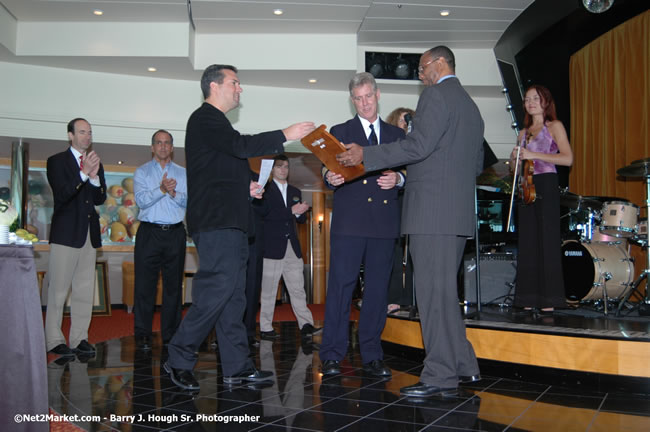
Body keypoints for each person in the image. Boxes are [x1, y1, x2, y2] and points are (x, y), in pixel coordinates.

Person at [337, 46, 484, 397]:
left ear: (439, 63)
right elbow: (476, 165)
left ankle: (439, 375)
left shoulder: (436, 96)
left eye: (421, 69)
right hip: (455, 214)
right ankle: (464, 364)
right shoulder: (472, 107)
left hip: (431, 213)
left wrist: (365, 155)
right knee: (445, 295)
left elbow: (417, 147)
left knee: (433, 298)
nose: (420, 76)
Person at [163, 64, 315, 391]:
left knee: (234, 296)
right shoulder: (204, 117)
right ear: (214, 86)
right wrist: (285, 135)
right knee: (216, 290)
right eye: (235, 82)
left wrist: (245, 187)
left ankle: (237, 366)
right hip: (216, 222)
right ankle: (178, 355)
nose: (240, 89)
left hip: (231, 222)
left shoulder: (216, 127)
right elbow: (242, 147)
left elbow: (220, 171)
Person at [319, 72, 405, 378]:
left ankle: (372, 355)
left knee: (378, 292)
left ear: (378, 95)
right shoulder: (340, 131)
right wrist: (330, 177)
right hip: (349, 223)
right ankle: (331, 354)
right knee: (340, 289)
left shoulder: (397, 135)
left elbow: (412, 171)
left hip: (383, 224)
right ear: (352, 100)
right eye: (358, 98)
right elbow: (326, 168)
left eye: (368, 96)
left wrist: (399, 178)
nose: (364, 103)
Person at [45, 118, 107, 357]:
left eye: (90, 133)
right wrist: (83, 174)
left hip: (89, 236)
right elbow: (62, 195)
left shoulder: (95, 163)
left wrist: (93, 177)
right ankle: (53, 339)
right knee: (58, 290)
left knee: (84, 289)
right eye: (82, 132)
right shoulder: (56, 162)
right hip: (65, 235)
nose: (87, 137)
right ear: (70, 135)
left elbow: (99, 198)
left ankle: (80, 337)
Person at [510, 85, 573, 312]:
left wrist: (533, 154)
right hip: (527, 186)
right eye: (527, 99)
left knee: (547, 241)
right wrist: (514, 158)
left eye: (535, 98)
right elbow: (517, 168)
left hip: (546, 183)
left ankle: (550, 301)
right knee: (527, 242)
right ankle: (527, 297)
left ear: (545, 101)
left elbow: (567, 159)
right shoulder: (523, 133)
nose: (530, 102)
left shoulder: (554, 126)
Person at [132, 129, 187, 351]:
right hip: (149, 233)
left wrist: (173, 194)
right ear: (152, 147)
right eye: (158, 143)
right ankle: (142, 335)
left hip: (175, 233)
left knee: (173, 287)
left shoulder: (183, 173)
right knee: (145, 287)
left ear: (172, 148)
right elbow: (142, 201)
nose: (163, 146)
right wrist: (162, 189)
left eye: (167, 143)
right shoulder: (142, 172)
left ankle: (171, 334)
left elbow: (187, 201)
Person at [258, 154, 321, 341]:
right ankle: (265, 327)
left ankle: (306, 325)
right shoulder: (265, 190)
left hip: (292, 247)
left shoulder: (295, 190)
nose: (283, 169)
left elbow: (298, 219)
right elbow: (266, 215)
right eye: (279, 166)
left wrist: (302, 212)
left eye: (286, 166)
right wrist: (291, 211)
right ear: (272, 170)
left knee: (297, 289)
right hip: (272, 247)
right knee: (269, 291)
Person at [385, 107, 415, 315]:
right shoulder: (389, 145)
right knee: (393, 250)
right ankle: (394, 297)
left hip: (415, 200)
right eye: (400, 121)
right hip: (394, 199)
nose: (404, 125)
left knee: (415, 251)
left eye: (408, 121)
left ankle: (413, 297)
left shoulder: (419, 144)